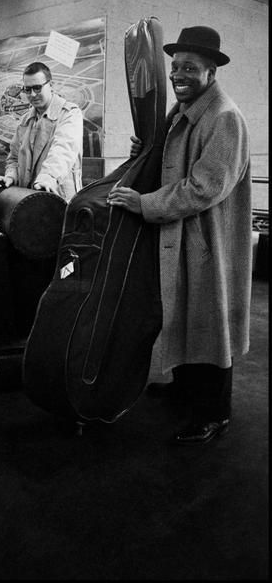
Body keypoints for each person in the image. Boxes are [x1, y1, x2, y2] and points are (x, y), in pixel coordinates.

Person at [107, 26, 252, 445]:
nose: (178, 75)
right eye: (174, 68)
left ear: (211, 72)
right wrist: (143, 152)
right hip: (182, 236)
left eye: (189, 68)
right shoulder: (182, 110)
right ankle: (186, 389)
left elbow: (205, 187)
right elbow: (169, 162)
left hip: (209, 242)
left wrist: (144, 204)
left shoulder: (224, 117)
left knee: (210, 322)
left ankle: (214, 414)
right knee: (184, 314)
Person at [0, 62, 83, 201]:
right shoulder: (25, 120)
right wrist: (10, 177)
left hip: (60, 199)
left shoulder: (69, 114)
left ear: (51, 85)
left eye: (37, 88)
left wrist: (48, 177)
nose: (33, 94)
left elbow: (62, 150)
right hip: (28, 201)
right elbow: (14, 158)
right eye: (27, 90)